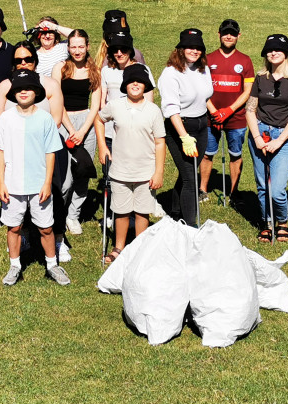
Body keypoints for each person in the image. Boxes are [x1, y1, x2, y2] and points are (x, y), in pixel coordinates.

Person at [0, 70, 69, 286]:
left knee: (46, 228)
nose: (23, 92)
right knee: (14, 227)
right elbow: (0, 151)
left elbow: (50, 152)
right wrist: (1, 182)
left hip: (39, 185)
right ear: (13, 93)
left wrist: (47, 182)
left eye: (28, 88)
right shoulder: (5, 119)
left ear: (37, 92)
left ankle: (52, 264)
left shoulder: (45, 119)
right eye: (19, 89)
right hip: (12, 184)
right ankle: (15, 265)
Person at [96, 64, 165, 262]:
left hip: (146, 170)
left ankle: (140, 247)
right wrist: (102, 146)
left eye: (140, 82)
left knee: (143, 211)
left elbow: (160, 142)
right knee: (121, 210)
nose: (136, 84)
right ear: (125, 85)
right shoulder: (116, 105)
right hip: (120, 170)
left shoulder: (153, 111)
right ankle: (119, 247)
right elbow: (99, 120)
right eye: (131, 81)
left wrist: (158, 171)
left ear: (146, 86)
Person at [245, 34, 288, 243]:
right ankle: (267, 222)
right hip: (260, 133)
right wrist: (257, 137)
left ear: (286, 54)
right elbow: (250, 110)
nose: (273, 53)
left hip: (284, 136)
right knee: (263, 185)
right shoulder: (260, 78)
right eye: (269, 50)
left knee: (278, 188)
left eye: (278, 49)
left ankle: (282, 221)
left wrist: (278, 141)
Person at [158, 29, 214, 226]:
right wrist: (184, 136)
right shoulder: (171, 74)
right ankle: (191, 227)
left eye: (198, 47)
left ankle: (175, 212)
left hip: (201, 124)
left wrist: (213, 112)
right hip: (179, 127)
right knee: (191, 180)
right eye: (190, 46)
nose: (194, 51)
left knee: (187, 173)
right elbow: (171, 108)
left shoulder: (203, 69)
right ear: (180, 49)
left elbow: (205, 95)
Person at [52, 29, 102, 235]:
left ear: (88, 47)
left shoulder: (94, 69)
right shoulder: (60, 68)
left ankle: (74, 215)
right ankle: (59, 214)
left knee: (82, 171)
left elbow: (96, 104)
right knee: (65, 177)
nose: (77, 51)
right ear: (68, 47)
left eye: (81, 46)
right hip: (64, 122)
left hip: (86, 123)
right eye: (73, 46)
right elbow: (57, 101)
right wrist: (72, 130)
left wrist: (82, 131)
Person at [200, 19, 254, 202]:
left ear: (239, 36)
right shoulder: (207, 59)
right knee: (207, 154)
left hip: (236, 118)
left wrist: (228, 111)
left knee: (235, 155)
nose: (228, 36)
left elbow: (247, 91)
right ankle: (202, 190)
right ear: (219, 35)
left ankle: (234, 192)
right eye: (225, 33)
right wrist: (215, 111)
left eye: (232, 33)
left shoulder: (245, 60)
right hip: (210, 117)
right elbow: (201, 88)